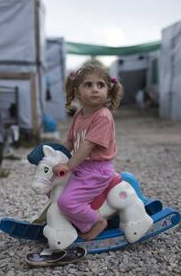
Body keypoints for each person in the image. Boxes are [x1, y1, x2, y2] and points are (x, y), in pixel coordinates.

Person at [53, 59, 123, 240]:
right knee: (51, 186)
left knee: (67, 201)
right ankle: (66, 221)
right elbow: (70, 141)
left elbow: (87, 145)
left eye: (101, 85)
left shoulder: (103, 117)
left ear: (108, 91)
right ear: (77, 91)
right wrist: (53, 156)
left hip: (96, 171)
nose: (95, 89)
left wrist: (68, 165)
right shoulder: (79, 114)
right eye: (88, 85)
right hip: (82, 165)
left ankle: (96, 221)